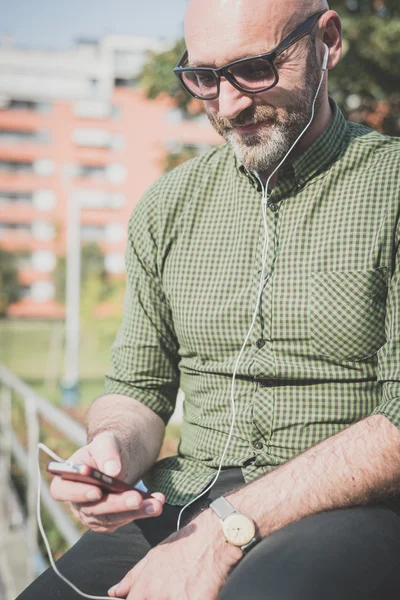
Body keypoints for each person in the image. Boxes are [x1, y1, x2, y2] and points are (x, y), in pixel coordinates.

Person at [18, 0, 400, 598]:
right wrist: (111, 452)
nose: (229, 103)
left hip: (352, 510)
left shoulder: (393, 189)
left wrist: (225, 532)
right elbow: (138, 389)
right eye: (203, 77)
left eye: (254, 69)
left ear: (327, 41)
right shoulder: (167, 206)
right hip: (183, 496)